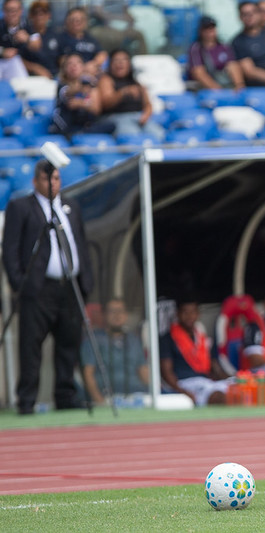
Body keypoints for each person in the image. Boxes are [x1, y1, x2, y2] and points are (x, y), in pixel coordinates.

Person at [2, 159, 94, 415]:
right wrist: (20, 283)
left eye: (55, 179)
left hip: (70, 286)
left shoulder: (71, 206)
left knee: (68, 343)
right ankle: (27, 400)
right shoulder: (21, 207)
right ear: (35, 181)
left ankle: (65, 395)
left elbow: (81, 244)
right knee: (31, 346)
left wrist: (86, 279)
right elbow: (10, 250)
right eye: (46, 179)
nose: (52, 184)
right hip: (37, 288)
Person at [159, 298, 231, 406]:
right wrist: (182, 392)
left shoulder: (201, 337)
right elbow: (166, 372)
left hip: (206, 382)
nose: (189, 316)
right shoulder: (167, 339)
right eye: (185, 312)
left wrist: (230, 379)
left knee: (238, 389)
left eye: (193, 312)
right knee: (220, 397)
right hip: (186, 384)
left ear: (198, 314)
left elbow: (213, 365)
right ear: (177, 314)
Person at [80, 298, 149, 404]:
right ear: (104, 314)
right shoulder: (93, 339)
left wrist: (154, 393)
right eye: (112, 311)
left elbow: (143, 370)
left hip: (136, 395)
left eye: (120, 311)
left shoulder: (134, 340)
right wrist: (99, 401)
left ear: (126, 315)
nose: (117, 315)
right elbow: (88, 373)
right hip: (107, 397)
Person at [97, 48, 165, 140]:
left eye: (124, 60)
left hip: (137, 116)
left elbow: (148, 104)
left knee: (159, 134)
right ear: (111, 64)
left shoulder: (137, 83)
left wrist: (145, 115)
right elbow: (106, 103)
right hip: (116, 117)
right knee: (132, 135)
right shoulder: (106, 80)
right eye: (116, 60)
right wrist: (123, 92)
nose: (120, 63)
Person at [50, 53, 116, 137]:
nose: (74, 66)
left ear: (83, 67)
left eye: (78, 63)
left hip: (85, 126)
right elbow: (68, 94)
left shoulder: (88, 83)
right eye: (70, 64)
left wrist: (82, 103)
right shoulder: (61, 85)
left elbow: (96, 109)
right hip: (66, 127)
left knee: (111, 125)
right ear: (64, 69)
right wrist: (81, 89)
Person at [187, 15, 245, 91]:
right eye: (206, 28)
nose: (209, 31)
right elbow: (198, 72)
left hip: (224, 82)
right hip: (206, 88)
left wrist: (238, 85)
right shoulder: (196, 48)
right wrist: (219, 91)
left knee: (233, 65)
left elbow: (232, 65)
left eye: (212, 28)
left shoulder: (224, 46)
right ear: (200, 31)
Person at [57, 7, 108, 78]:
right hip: (71, 76)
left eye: (79, 20)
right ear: (67, 21)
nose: (76, 23)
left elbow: (102, 54)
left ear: (85, 22)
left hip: (91, 73)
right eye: (73, 20)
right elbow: (62, 61)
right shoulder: (61, 38)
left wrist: (94, 63)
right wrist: (82, 68)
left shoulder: (90, 39)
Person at [19, 0, 61, 79]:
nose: (39, 16)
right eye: (35, 13)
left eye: (43, 12)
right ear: (30, 15)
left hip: (53, 76)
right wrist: (34, 68)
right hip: (31, 77)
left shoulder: (56, 35)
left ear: (49, 15)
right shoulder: (24, 34)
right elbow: (16, 59)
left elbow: (61, 57)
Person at [0, 0, 32, 81]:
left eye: (14, 10)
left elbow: (37, 43)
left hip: (21, 64)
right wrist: (2, 51)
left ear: (21, 11)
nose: (11, 14)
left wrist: (27, 39)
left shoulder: (28, 25)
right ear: (3, 11)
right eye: (8, 10)